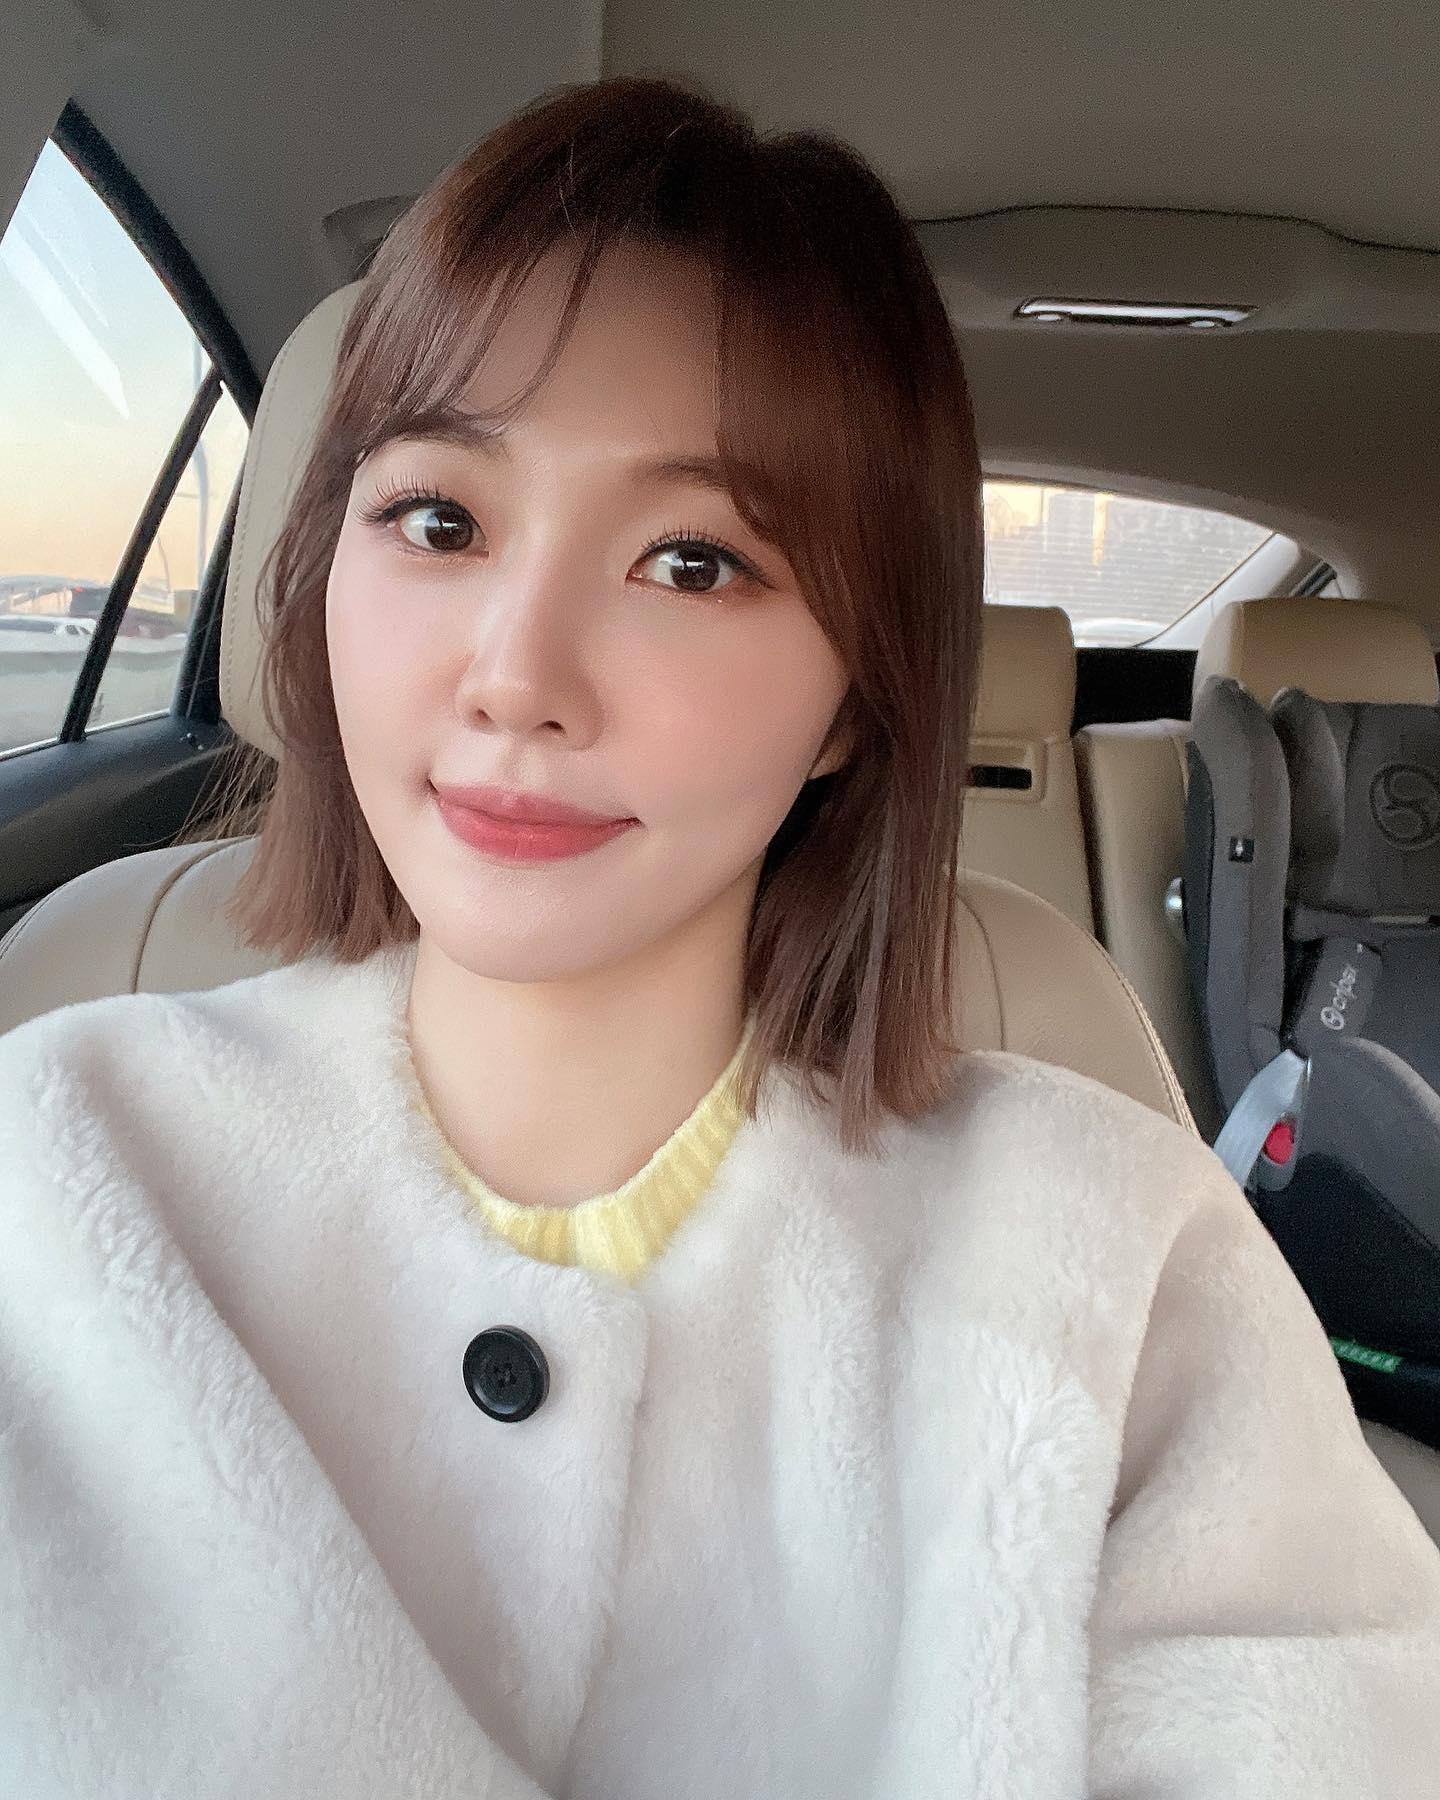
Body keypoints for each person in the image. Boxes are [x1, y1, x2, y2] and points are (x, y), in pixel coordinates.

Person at [2, 71, 1439, 1800]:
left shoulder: (1124, 1274)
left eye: (692, 562)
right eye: (440, 521)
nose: (517, 677)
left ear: (854, 701)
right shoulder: (51, 1171)